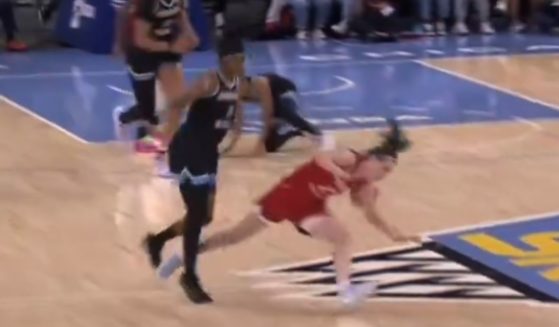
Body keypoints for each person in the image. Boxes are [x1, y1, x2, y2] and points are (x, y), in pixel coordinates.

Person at [157, 119, 420, 306]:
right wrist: (340, 174)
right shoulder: (351, 158)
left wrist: (395, 233)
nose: (384, 176)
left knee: (343, 238)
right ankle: (182, 256)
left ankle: (345, 290)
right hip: (287, 195)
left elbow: (370, 213)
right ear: (373, 160)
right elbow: (320, 158)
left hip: (310, 209)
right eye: (385, 170)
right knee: (233, 237)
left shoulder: (365, 186)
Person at [143, 36, 255, 304]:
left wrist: (235, 135)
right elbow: (179, 103)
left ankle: (157, 240)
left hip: (208, 153)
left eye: (243, 58)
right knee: (196, 213)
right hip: (189, 149)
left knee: (205, 216)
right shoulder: (209, 81)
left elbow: (236, 108)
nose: (242, 63)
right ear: (225, 60)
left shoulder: (238, 83)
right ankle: (190, 276)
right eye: (238, 59)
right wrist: (162, 130)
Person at [112, 0, 199, 153]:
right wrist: (119, 43)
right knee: (147, 111)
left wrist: (190, 36)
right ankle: (124, 117)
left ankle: (169, 143)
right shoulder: (147, 3)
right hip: (141, 52)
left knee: (178, 101)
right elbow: (141, 39)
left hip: (166, 49)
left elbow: (180, 15)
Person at [239, 73, 322, 154]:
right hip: (274, 100)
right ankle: (293, 131)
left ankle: (313, 130)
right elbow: (239, 117)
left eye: (240, 86)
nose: (239, 90)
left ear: (245, 82)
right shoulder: (242, 95)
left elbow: (268, 111)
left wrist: (261, 141)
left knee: (287, 113)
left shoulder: (259, 82)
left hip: (285, 90)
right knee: (270, 147)